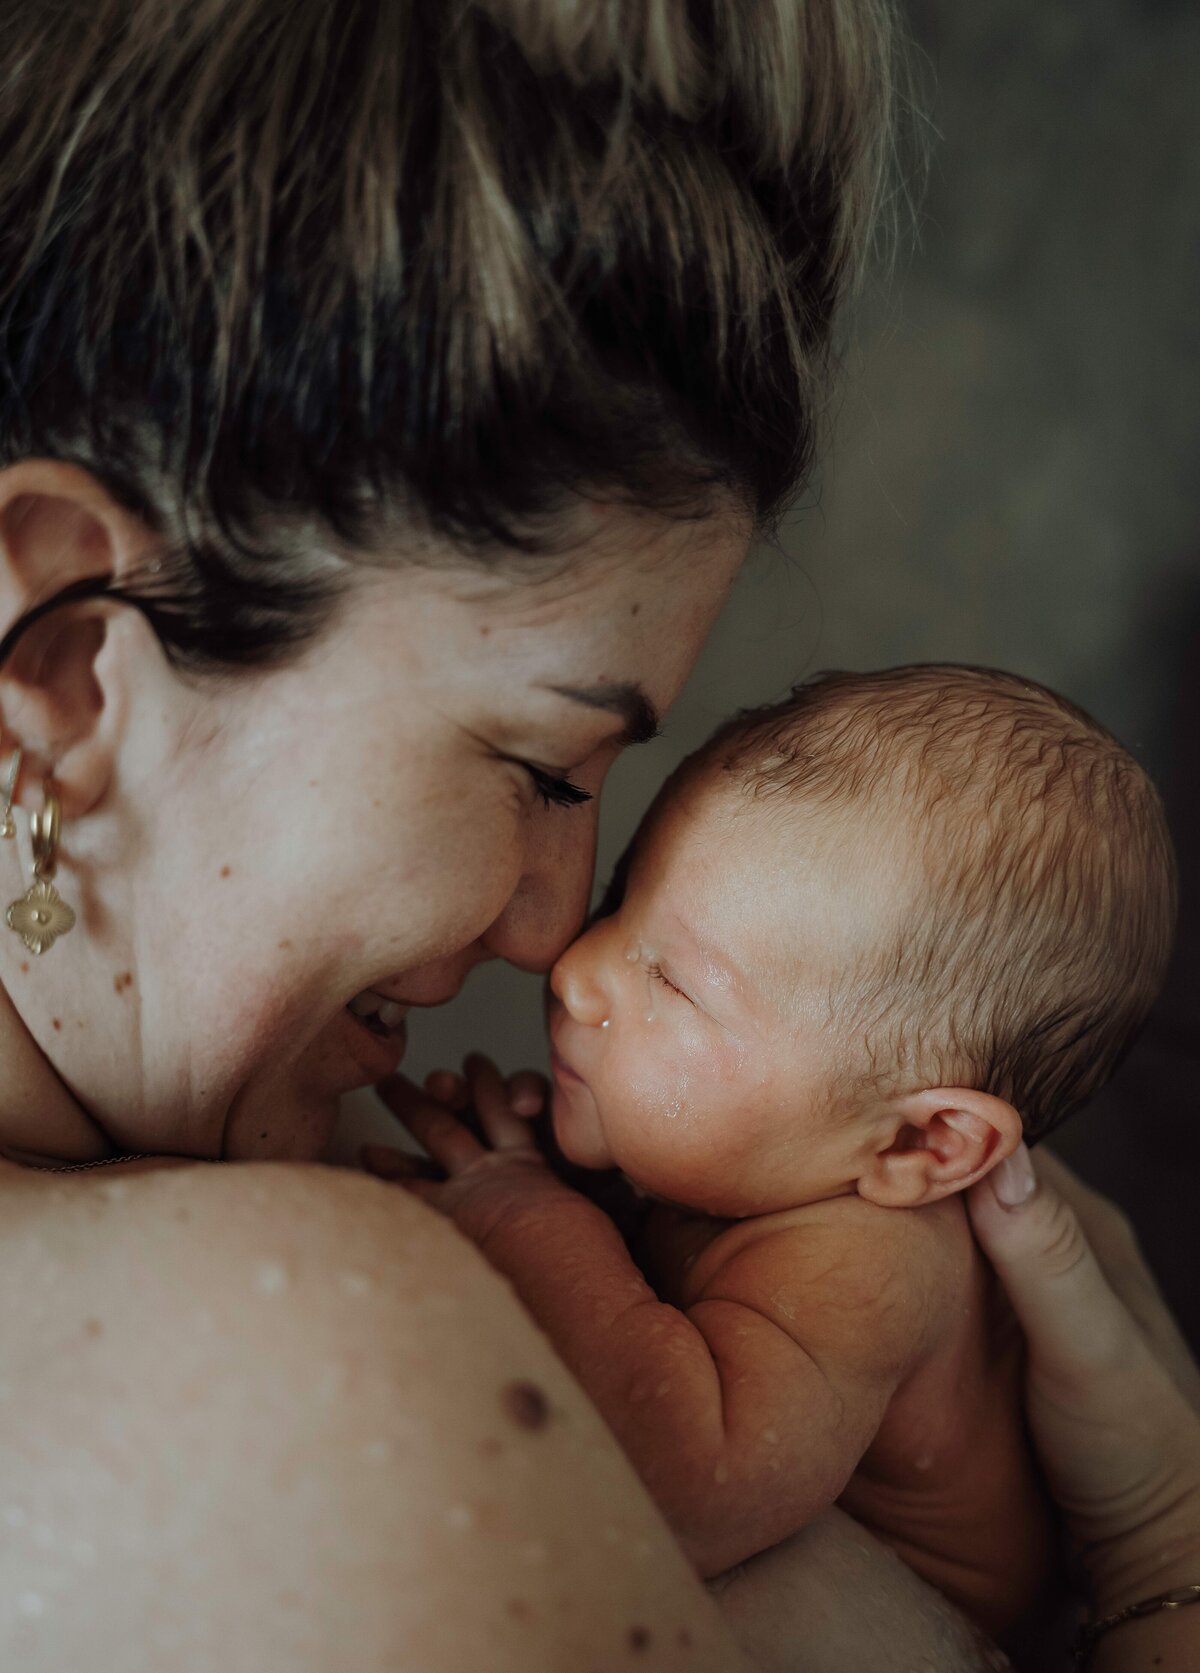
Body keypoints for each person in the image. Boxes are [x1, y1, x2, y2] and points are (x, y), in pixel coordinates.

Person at [0, 2, 1194, 1669]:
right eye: (543, 769)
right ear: (69, 662)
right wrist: (1165, 1557)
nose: (554, 935)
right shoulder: (303, 1353)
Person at [364, 663, 1176, 1642]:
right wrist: (565, 1182)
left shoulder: (867, 1263)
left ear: (919, 1141)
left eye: (676, 983)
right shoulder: (776, 1169)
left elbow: (687, 1484)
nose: (576, 969)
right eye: (620, 900)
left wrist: (530, 1220)